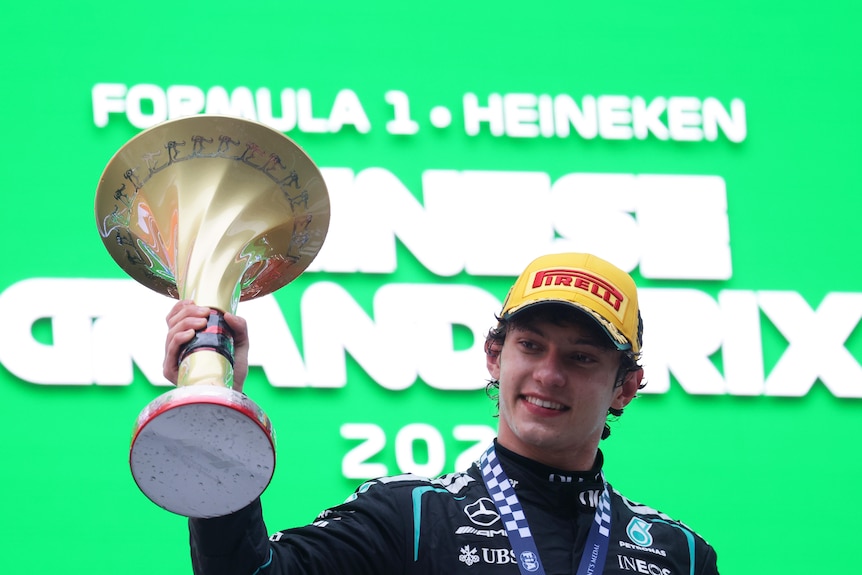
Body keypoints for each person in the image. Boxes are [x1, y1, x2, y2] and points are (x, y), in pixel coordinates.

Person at [163, 252, 719, 575]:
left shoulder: (680, 556)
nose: (549, 375)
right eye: (531, 346)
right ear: (495, 356)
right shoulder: (411, 516)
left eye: (580, 358)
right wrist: (215, 409)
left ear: (626, 387)